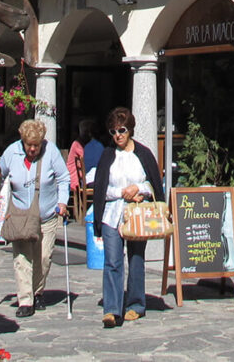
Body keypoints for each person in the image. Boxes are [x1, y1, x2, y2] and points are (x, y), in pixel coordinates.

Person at [89, 107, 164, 329]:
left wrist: (138, 189)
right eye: (113, 132)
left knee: (136, 258)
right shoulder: (107, 155)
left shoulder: (143, 153)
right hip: (113, 214)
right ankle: (112, 309)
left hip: (137, 214)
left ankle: (136, 304)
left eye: (121, 130)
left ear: (130, 129)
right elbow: (101, 187)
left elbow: (153, 185)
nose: (118, 135)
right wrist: (120, 192)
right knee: (112, 260)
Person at [0, 119, 69, 318]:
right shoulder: (12, 153)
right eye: (29, 145)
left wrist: (62, 202)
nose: (33, 149)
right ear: (22, 141)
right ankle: (25, 300)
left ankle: (37, 291)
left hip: (47, 213)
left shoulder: (51, 152)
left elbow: (63, 178)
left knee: (43, 257)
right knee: (22, 258)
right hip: (20, 215)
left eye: (36, 145)